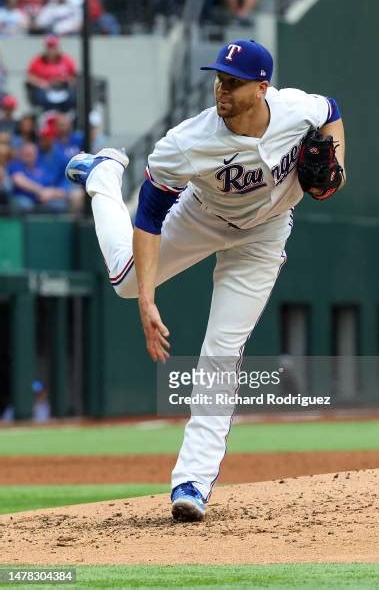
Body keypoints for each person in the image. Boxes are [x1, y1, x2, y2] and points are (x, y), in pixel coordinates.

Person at [65, 39, 346, 522]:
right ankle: (104, 176)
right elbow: (150, 217)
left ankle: (191, 482)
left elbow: (331, 111)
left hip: (264, 236)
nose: (222, 88)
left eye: (233, 82)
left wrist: (338, 167)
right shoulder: (188, 141)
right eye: (219, 78)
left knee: (221, 352)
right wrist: (147, 301)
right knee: (126, 282)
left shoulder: (295, 109)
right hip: (201, 217)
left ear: (262, 88)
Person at [26, 34, 77, 112]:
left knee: (73, 98)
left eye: (53, 47)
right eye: (49, 47)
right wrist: (40, 82)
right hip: (45, 90)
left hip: (63, 89)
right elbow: (30, 76)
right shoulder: (38, 60)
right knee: (41, 97)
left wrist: (63, 80)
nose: (51, 50)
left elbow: (74, 76)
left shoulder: (66, 59)